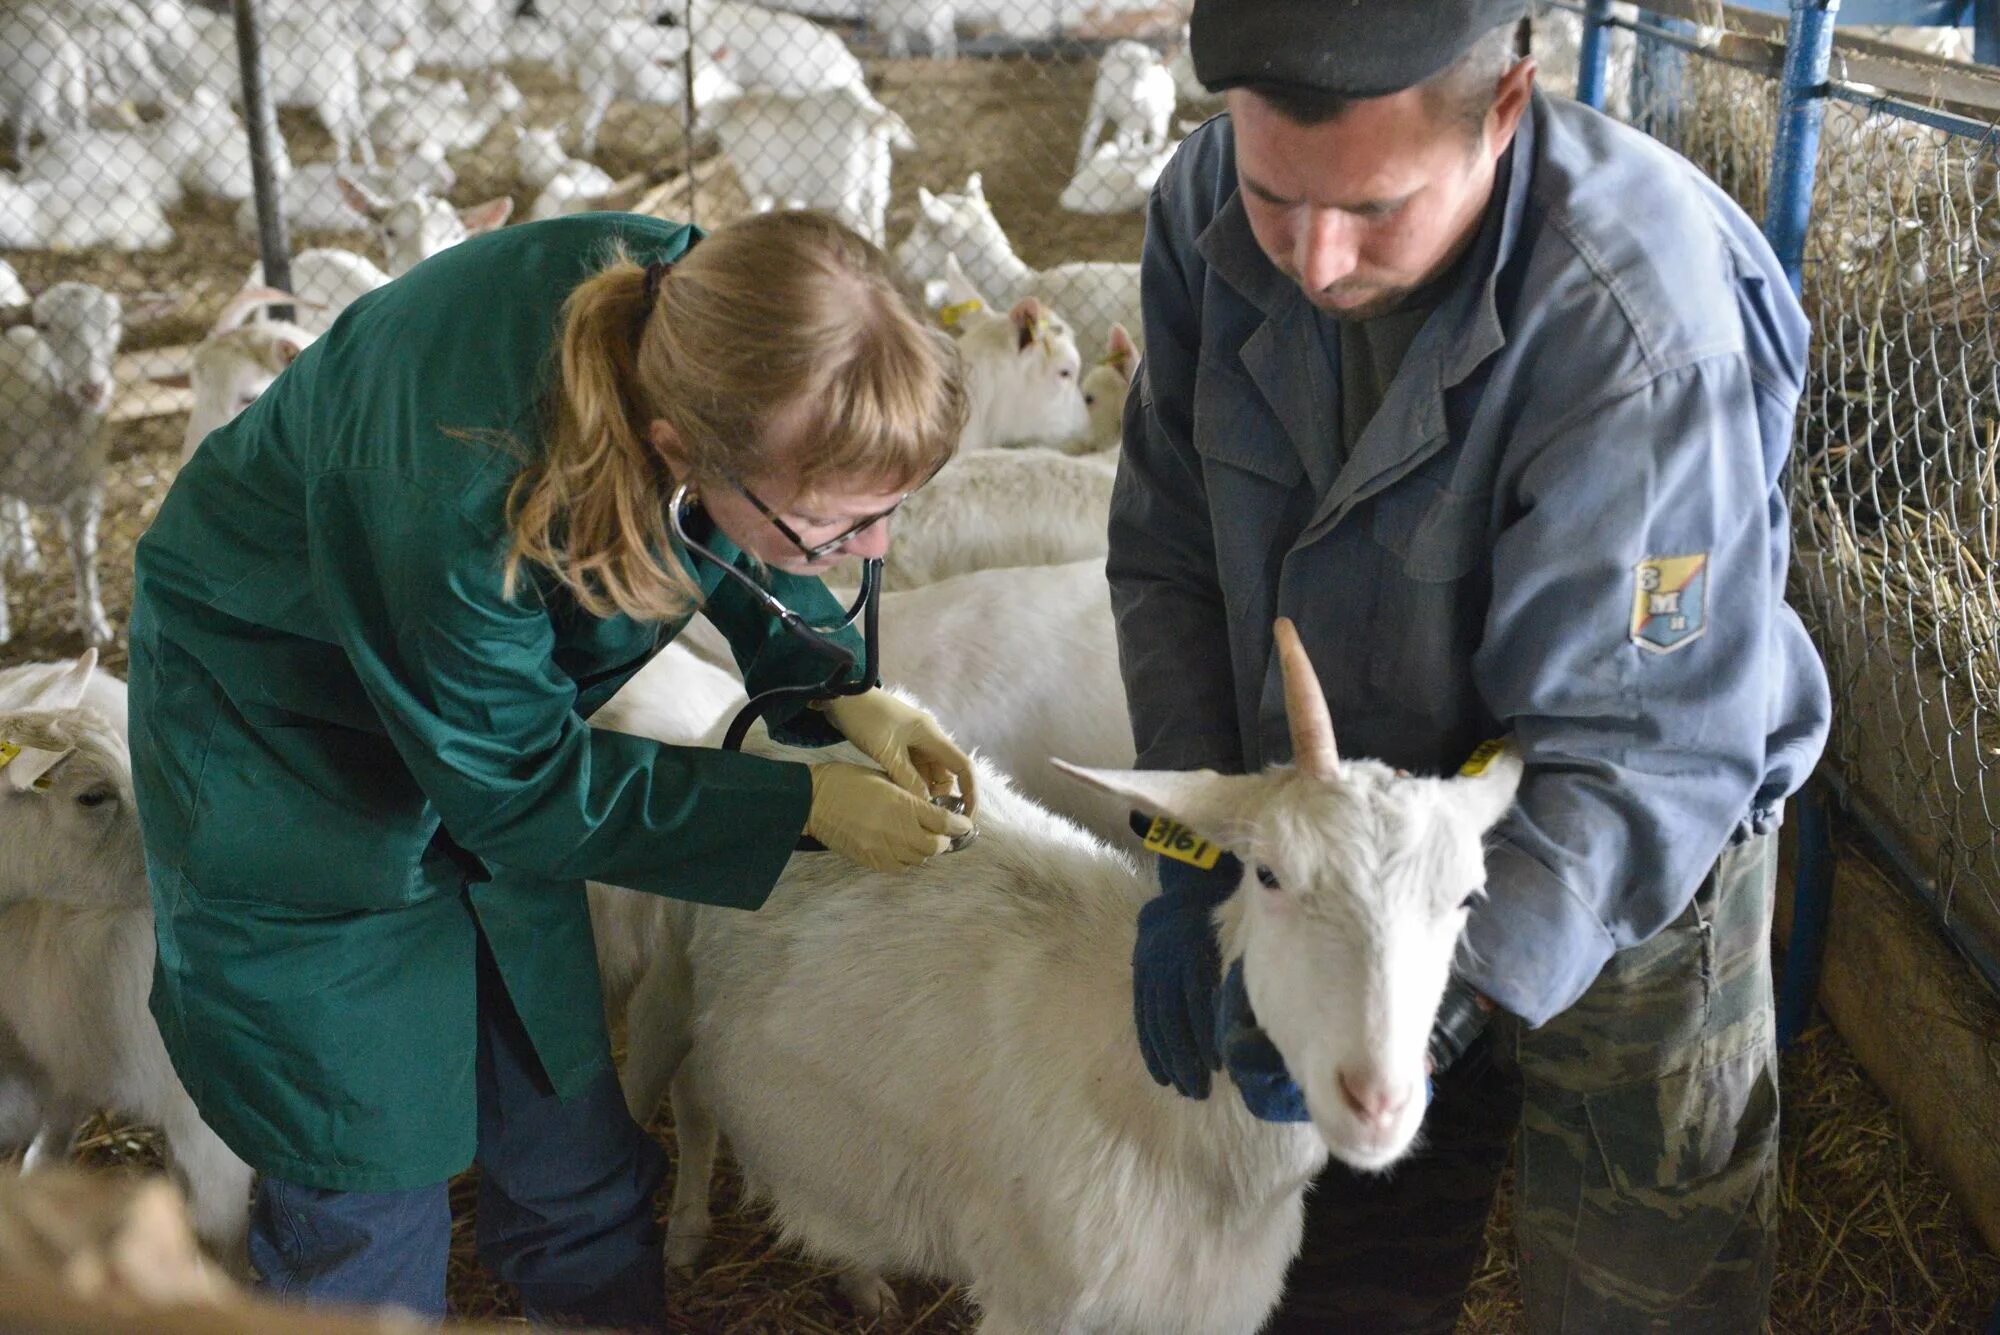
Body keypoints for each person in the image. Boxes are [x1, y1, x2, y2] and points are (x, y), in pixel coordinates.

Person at [1109, 2, 1831, 1330]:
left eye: (1376, 209)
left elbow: (1648, 744)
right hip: (1336, 825)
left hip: (1619, 848)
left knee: (1637, 1257)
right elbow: (1167, 555)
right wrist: (1198, 858)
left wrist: (1419, 1008)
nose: (1317, 260)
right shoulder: (1207, 208)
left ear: (1503, 113)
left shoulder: (1638, 325)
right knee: (1345, 1244)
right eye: (1276, 195)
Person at [126, 208, 978, 1328]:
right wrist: (799, 808)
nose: (867, 553)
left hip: (481, 722)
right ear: (679, 448)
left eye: (884, 516)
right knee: (363, 1191)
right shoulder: (457, 480)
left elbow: (723, 508)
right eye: (834, 529)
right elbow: (520, 786)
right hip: (288, 756)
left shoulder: (708, 310)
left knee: (569, 1147)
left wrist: (830, 678)